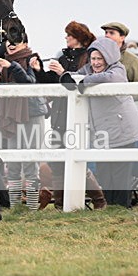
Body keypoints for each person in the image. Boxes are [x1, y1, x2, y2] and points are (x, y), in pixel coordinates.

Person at [29, 21, 106, 209]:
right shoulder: (64, 57)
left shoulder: (88, 59)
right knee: (56, 162)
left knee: (77, 160)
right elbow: (51, 82)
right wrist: (39, 71)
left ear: (77, 37)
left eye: (69, 35)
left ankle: (99, 200)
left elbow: (75, 84)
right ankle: (60, 205)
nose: (66, 38)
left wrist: (62, 72)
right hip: (59, 115)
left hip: (78, 117)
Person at [61, 37, 138, 207]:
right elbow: (77, 77)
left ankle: (122, 210)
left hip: (124, 132)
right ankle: (110, 210)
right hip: (103, 135)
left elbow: (109, 79)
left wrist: (84, 82)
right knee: (105, 175)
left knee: (120, 176)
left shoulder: (118, 69)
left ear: (109, 58)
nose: (96, 63)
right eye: (93, 59)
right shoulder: (88, 70)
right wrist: (67, 78)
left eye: (100, 59)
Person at [0, 34, 47, 210]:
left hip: (32, 114)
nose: (10, 44)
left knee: (31, 163)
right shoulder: (4, 63)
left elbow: (28, 82)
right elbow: (3, 95)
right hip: (11, 117)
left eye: (15, 41)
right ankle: (15, 207)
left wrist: (12, 66)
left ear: (25, 43)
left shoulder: (32, 59)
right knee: (12, 163)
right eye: (8, 41)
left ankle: (31, 207)